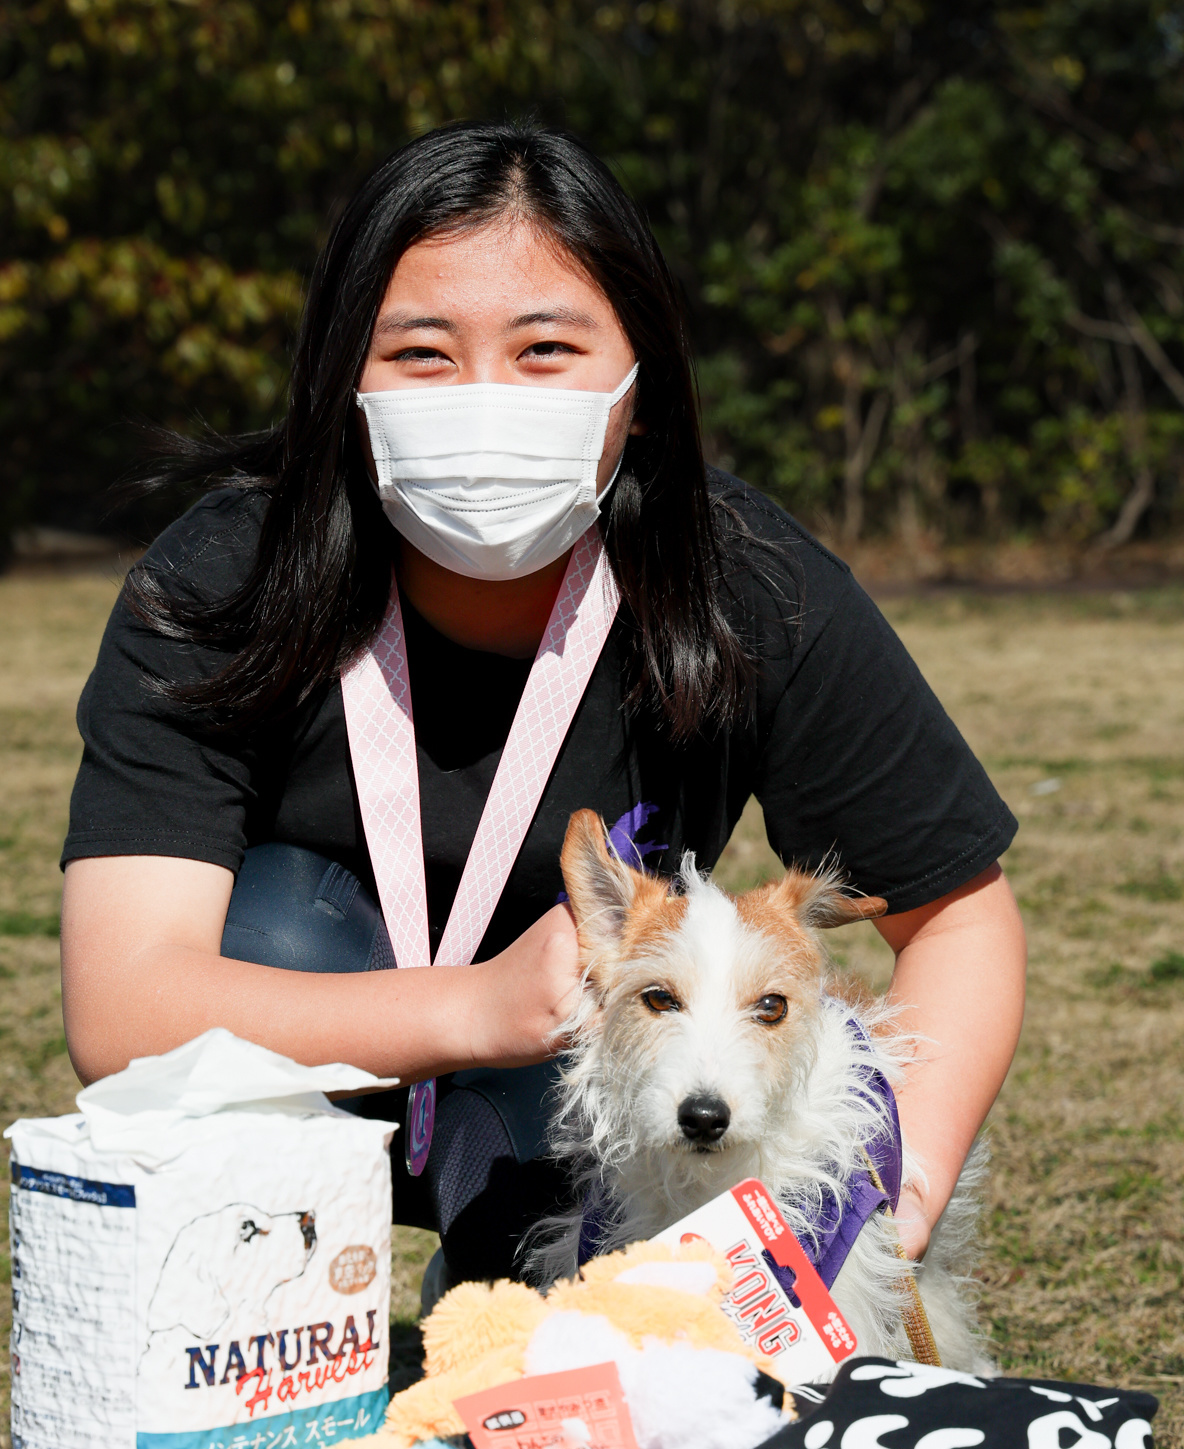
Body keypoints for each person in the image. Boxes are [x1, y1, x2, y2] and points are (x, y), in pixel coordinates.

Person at [60, 121, 1026, 1295]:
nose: (485, 400)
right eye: (422, 352)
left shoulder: (747, 584)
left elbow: (956, 922)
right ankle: (272, 1318)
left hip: (584, 1090)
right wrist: (474, 1008)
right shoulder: (223, 578)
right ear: (340, 379)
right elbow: (124, 1007)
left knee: (572, 1327)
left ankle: (499, 1271)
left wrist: (886, 1197)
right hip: (309, 1053)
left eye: (545, 349)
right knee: (273, 925)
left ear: (640, 381)